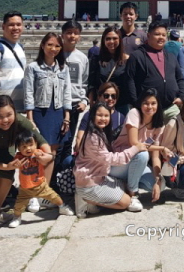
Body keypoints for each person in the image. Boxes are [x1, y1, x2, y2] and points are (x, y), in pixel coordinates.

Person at [0, 95, 50, 231]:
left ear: (14, 112)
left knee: (7, 177)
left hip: (5, 144)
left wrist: (48, 156)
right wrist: (5, 166)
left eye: (9, 115)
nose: (5, 120)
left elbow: (40, 140)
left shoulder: (20, 121)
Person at [73, 102, 150, 216]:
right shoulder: (93, 138)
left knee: (123, 185)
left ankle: (93, 199)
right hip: (89, 184)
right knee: (126, 202)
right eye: (99, 115)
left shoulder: (99, 132)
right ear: (92, 116)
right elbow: (112, 159)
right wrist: (135, 148)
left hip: (99, 177)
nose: (103, 119)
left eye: (106, 115)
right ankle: (86, 199)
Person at [23, 32, 72, 205]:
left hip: (57, 112)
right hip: (40, 112)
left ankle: (44, 191)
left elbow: (67, 92)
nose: (53, 49)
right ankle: (32, 192)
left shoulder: (63, 68)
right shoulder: (33, 67)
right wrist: (30, 118)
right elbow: (29, 92)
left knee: (52, 154)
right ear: (42, 46)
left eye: (57, 46)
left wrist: (67, 117)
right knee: (37, 153)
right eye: (50, 45)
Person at [111, 89, 171, 211]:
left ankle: (125, 185)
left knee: (161, 185)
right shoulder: (134, 113)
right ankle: (132, 194)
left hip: (136, 164)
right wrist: (162, 148)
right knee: (143, 154)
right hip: (119, 162)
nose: (149, 107)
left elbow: (155, 157)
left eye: (153, 103)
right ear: (140, 104)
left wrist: (157, 179)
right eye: (146, 103)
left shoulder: (159, 125)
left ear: (158, 104)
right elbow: (134, 144)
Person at [7, 130, 74, 227]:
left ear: (36, 144)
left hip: (41, 186)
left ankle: (62, 207)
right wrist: (14, 165)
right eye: (24, 146)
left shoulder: (38, 153)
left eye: (31, 145)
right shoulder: (18, 157)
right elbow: (12, 165)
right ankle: (17, 217)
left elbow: (45, 161)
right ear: (18, 148)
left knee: (55, 197)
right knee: (18, 205)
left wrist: (41, 157)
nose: (28, 148)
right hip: (25, 189)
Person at [126, 21, 184, 123]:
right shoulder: (137, 56)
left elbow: (179, 78)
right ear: (148, 35)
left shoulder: (171, 57)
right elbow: (129, 80)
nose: (161, 37)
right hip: (147, 109)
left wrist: (181, 96)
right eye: (157, 34)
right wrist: (136, 103)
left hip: (170, 107)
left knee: (179, 127)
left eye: (163, 35)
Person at [61, 20, 89, 151]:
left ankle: (66, 163)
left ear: (79, 36)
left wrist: (84, 100)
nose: (72, 36)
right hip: (57, 103)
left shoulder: (82, 58)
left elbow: (85, 82)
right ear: (62, 35)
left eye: (76, 33)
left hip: (74, 103)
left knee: (69, 140)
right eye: (69, 32)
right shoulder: (55, 54)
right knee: (55, 140)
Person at [89, 26, 130, 115]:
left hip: (121, 105)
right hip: (102, 104)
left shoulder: (127, 60)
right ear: (103, 40)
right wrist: (91, 103)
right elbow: (91, 84)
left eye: (115, 38)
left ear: (120, 40)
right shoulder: (96, 59)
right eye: (108, 39)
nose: (111, 41)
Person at [75, 82, 126, 153]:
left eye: (113, 96)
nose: (110, 99)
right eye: (106, 96)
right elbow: (79, 139)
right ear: (99, 96)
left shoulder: (120, 117)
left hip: (112, 155)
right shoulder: (89, 115)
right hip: (90, 154)